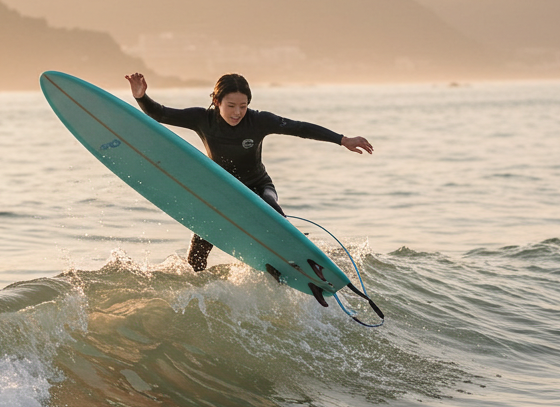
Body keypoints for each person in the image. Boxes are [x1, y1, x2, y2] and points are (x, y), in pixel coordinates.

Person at [125, 71, 374, 271]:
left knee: (271, 211)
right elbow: (161, 114)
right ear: (216, 101)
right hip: (221, 192)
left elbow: (300, 128)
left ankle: (303, 262)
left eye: (243, 106)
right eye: (231, 105)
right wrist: (141, 97)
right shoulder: (202, 119)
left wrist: (342, 139)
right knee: (196, 258)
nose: (237, 113)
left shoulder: (259, 121)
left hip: (258, 186)